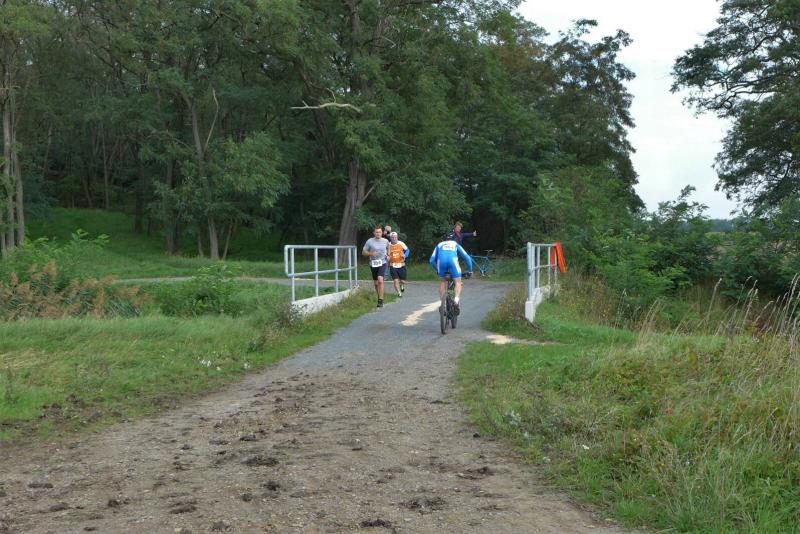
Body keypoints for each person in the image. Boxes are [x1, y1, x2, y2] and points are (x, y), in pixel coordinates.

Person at [429, 233, 473, 313]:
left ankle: (443, 305)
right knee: (458, 282)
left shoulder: (439, 245)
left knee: (443, 282)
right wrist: (470, 271)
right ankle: (456, 300)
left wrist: (438, 270)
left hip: (441, 263)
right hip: (453, 262)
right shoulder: (455, 244)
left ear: (443, 240)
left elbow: (431, 260)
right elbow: (467, 258)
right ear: (452, 239)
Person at [362, 225, 389, 307]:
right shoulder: (369, 241)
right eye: (376, 232)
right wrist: (371, 253)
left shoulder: (385, 241)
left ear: (382, 232)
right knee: (376, 283)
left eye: (379, 232)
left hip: (383, 262)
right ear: (374, 233)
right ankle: (379, 296)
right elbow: (363, 252)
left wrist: (388, 255)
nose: (378, 233)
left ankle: (380, 300)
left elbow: (389, 248)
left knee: (380, 280)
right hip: (373, 263)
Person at [386, 231, 410, 296]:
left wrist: (405, 255)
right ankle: (399, 293)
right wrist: (387, 257)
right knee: (395, 280)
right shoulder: (388, 245)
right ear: (390, 238)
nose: (394, 238)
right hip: (392, 265)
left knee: (403, 281)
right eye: (392, 237)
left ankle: (402, 285)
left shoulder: (401, 243)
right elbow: (387, 254)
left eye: (395, 237)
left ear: (397, 237)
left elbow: (407, 250)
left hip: (401, 264)